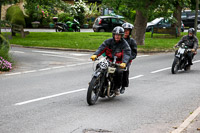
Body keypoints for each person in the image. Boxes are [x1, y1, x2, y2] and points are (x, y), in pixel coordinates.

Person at [90, 26, 131, 95]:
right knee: (99, 66)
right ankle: (95, 81)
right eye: (116, 34)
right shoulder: (108, 41)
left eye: (119, 35)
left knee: (119, 72)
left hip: (118, 62)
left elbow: (127, 53)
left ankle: (116, 87)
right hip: (108, 60)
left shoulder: (124, 44)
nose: (117, 36)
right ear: (113, 35)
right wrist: (95, 54)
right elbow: (101, 48)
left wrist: (124, 62)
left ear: (121, 36)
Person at [121, 22, 137, 94]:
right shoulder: (117, 39)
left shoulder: (132, 41)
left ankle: (123, 85)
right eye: (124, 30)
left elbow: (134, 53)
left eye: (127, 30)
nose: (125, 32)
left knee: (124, 70)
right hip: (115, 58)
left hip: (126, 60)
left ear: (130, 32)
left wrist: (128, 58)